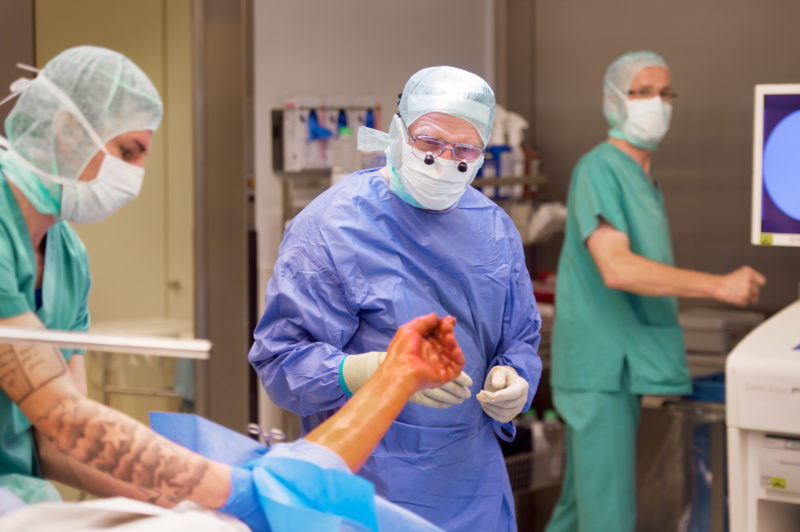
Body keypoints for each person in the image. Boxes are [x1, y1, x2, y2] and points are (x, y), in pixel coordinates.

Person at [0, 46, 464, 532]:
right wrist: (231, 489)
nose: (135, 174)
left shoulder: (68, 258)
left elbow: (56, 445)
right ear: (68, 130)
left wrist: (185, 498)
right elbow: (65, 420)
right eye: (127, 151)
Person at [249, 65, 543, 531]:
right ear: (398, 133)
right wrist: (371, 372)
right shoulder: (331, 226)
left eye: (464, 149)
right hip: (366, 490)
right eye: (429, 142)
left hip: (473, 488)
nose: (445, 159)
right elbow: (282, 362)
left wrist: (515, 377)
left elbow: (520, 337)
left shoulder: (493, 228)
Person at [545, 50, 766, 532]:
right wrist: (718, 286)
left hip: (614, 365)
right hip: (599, 367)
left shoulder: (644, 179)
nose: (657, 103)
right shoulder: (599, 169)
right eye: (642, 92)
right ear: (613, 102)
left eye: (666, 93)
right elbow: (618, 268)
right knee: (608, 517)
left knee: (579, 509)